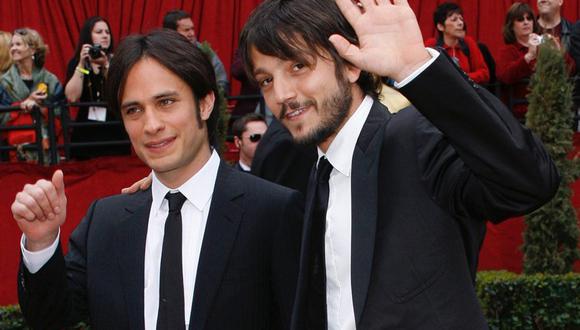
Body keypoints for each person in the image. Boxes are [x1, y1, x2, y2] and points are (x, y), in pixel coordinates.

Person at [239, 0, 559, 328]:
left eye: (297, 66)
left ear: (350, 64)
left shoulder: (415, 137)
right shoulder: (311, 173)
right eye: (266, 80)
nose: (281, 94)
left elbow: (530, 182)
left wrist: (415, 67)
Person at [12, 29, 302, 330]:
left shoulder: (272, 212)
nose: (151, 125)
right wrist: (41, 242)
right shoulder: (105, 223)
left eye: (166, 102)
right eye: (133, 110)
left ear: (204, 103)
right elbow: (51, 319)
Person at [64, 16, 130, 160]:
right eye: (99, 32)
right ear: (88, 36)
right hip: (85, 134)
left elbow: (121, 91)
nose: (105, 35)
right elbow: (72, 97)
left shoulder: (117, 61)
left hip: (114, 132)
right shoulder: (77, 63)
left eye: (107, 32)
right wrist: (81, 64)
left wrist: (106, 65)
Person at [497, 2, 574, 119]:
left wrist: (559, 53)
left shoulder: (544, 46)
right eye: (520, 19)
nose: (526, 22)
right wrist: (528, 57)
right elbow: (504, 75)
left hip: (549, 110)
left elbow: (571, 71)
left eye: (529, 18)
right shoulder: (507, 50)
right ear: (511, 26)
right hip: (521, 113)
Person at [0, 28, 64, 163]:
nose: (13, 48)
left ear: (33, 50)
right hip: (15, 154)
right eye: (12, 45)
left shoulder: (50, 80)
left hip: (47, 152)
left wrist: (42, 108)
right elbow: (2, 118)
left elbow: (62, 116)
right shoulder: (4, 83)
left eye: (18, 44)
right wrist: (23, 105)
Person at [163, 10, 230, 95]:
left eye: (192, 29)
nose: (192, 33)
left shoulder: (204, 51)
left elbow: (221, 82)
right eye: (186, 30)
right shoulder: (159, 52)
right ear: (171, 33)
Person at [425, 2, 490, 84]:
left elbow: (484, 73)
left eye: (461, 19)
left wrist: (461, 77)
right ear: (440, 26)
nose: (460, 23)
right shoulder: (432, 45)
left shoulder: (468, 43)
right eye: (454, 20)